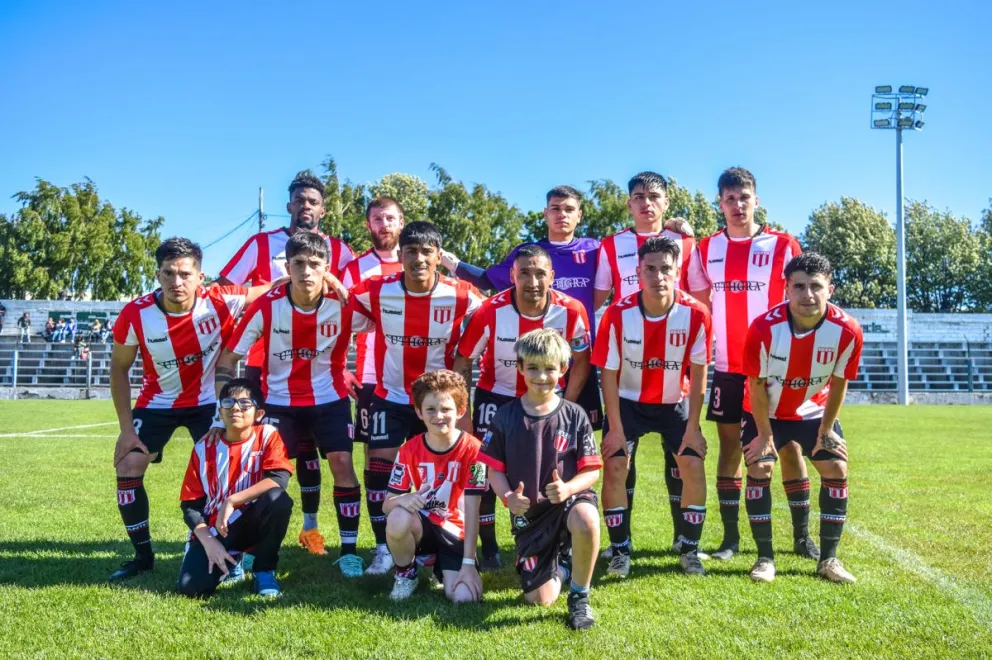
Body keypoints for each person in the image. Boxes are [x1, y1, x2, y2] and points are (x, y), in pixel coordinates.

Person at [108, 237, 278, 582]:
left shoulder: (222, 299)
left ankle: (234, 550)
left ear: (201, 277)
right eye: (168, 273)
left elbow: (272, 286)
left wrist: (329, 279)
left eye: (185, 274)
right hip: (158, 400)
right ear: (157, 274)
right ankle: (142, 556)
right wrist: (127, 431)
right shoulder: (135, 314)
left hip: (209, 402)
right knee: (128, 464)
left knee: (232, 470)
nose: (176, 282)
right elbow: (119, 369)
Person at [216, 170, 353, 557]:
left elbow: (354, 300)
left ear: (322, 210)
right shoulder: (262, 244)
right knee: (266, 459)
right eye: (299, 201)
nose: (305, 207)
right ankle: (247, 540)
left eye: (313, 202)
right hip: (266, 367)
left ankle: (311, 531)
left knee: (313, 452)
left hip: (321, 367)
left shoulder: (340, 250)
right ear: (288, 205)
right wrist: (272, 288)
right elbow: (226, 290)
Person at [686, 167, 815, 561]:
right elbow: (701, 303)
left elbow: (800, 298)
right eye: (729, 198)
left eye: (744, 197)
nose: (737, 205)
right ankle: (730, 540)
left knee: (788, 446)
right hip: (728, 364)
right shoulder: (706, 249)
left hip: (776, 365)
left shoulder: (782, 245)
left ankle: (801, 537)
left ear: (756, 200)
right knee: (729, 447)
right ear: (720, 203)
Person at [454, 243, 591, 569]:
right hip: (497, 396)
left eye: (540, 273)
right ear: (512, 276)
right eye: (524, 273)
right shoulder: (489, 310)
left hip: (547, 398)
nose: (532, 281)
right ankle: (487, 549)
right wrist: (465, 418)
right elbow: (463, 360)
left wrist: (566, 408)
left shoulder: (571, 310)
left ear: (552, 276)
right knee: (482, 469)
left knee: (551, 468)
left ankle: (553, 539)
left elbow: (582, 360)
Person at [349, 221, 483, 549]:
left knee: (450, 470)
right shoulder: (377, 289)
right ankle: (384, 547)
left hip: (439, 403)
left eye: (427, 252)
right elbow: (339, 310)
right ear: (400, 255)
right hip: (390, 395)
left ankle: (446, 542)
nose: (419, 259)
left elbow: (491, 318)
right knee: (380, 469)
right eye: (411, 252)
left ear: (439, 256)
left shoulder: (461, 293)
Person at [592, 237, 712, 578]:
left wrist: (694, 427)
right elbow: (609, 375)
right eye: (650, 269)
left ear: (677, 272)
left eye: (665, 269)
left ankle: (689, 550)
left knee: (691, 463)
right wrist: (614, 429)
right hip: (628, 404)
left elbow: (700, 374)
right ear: (638, 272)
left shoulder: (696, 314)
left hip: (675, 403)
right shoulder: (617, 313)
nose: (658, 276)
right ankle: (620, 550)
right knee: (615, 466)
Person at [740, 252, 862, 584]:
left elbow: (839, 381)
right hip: (765, 410)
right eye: (799, 287)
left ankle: (829, 560)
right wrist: (764, 436)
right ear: (786, 289)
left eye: (815, 286)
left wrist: (827, 429)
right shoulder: (764, 328)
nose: (807, 295)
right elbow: (757, 385)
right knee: (760, 465)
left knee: (836, 466)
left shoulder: (848, 330)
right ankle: (765, 558)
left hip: (812, 410)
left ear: (830, 290)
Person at [479, 328, 603, 631]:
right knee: (539, 598)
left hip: (569, 501)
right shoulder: (506, 416)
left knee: (586, 518)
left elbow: (592, 471)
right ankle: (562, 562)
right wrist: (508, 497)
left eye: (550, 368)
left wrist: (568, 488)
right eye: (532, 368)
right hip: (531, 516)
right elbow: (493, 469)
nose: (541, 376)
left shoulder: (574, 415)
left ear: (562, 369)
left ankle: (579, 597)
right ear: (520, 368)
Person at [177, 378, 294, 598]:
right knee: (190, 588)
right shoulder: (204, 447)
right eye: (228, 403)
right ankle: (232, 559)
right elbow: (190, 505)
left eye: (245, 404)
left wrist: (232, 500)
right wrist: (209, 542)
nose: (236, 408)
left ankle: (264, 569)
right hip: (218, 528)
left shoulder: (267, 434)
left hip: (253, 519)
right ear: (220, 412)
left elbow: (279, 478)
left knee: (279, 500)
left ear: (258, 414)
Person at [339, 196, 405, 575]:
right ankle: (382, 546)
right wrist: (341, 370)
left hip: (421, 381)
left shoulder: (421, 257)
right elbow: (342, 320)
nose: (384, 224)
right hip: (371, 378)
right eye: (378, 218)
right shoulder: (354, 267)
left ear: (402, 222)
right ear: (368, 225)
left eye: (391, 218)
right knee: (376, 461)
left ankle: (424, 538)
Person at [384, 370, 486, 602]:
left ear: (460, 411)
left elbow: (473, 510)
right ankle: (406, 575)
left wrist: (469, 563)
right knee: (398, 517)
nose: (439, 416)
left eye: (446, 409)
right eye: (430, 409)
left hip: (455, 531)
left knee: (464, 598)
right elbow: (387, 506)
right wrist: (404, 500)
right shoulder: (408, 450)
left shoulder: (475, 451)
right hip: (423, 526)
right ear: (419, 412)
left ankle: (439, 565)